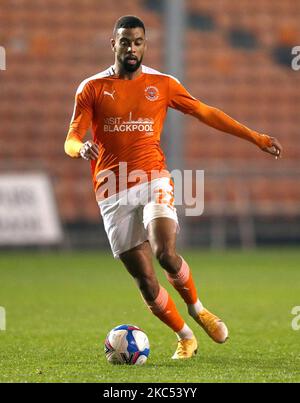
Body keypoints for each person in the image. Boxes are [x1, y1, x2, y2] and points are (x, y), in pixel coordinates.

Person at [64, 15, 283, 359]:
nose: (132, 48)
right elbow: (71, 138)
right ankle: (185, 336)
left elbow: (205, 112)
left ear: (145, 45)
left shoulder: (162, 83)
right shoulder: (91, 88)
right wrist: (81, 149)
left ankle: (198, 309)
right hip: (111, 188)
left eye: (138, 42)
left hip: (152, 178)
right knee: (146, 283)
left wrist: (255, 138)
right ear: (114, 44)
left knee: (165, 252)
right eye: (125, 42)